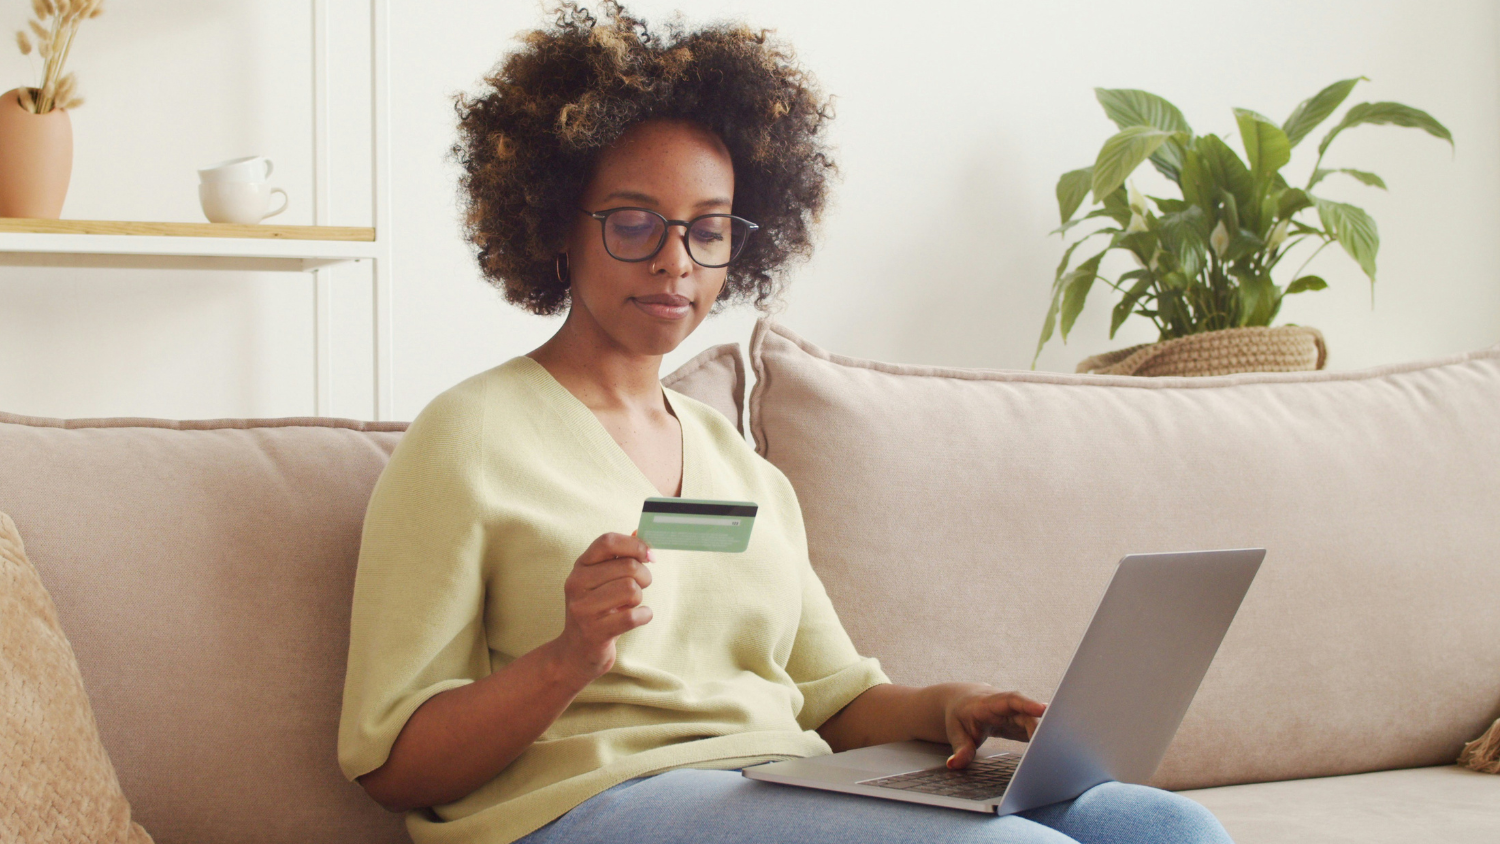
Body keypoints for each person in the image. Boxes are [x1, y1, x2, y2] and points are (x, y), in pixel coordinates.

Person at [335, 3, 1235, 843]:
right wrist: (567, 658)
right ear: (555, 226)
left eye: (709, 229)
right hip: (589, 805)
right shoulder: (467, 436)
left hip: (773, 785)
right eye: (635, 223)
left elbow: (830, 698)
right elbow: (393, 765)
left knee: (1166, 829)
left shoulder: (739, 461)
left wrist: (944, 707)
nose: (674, 262)